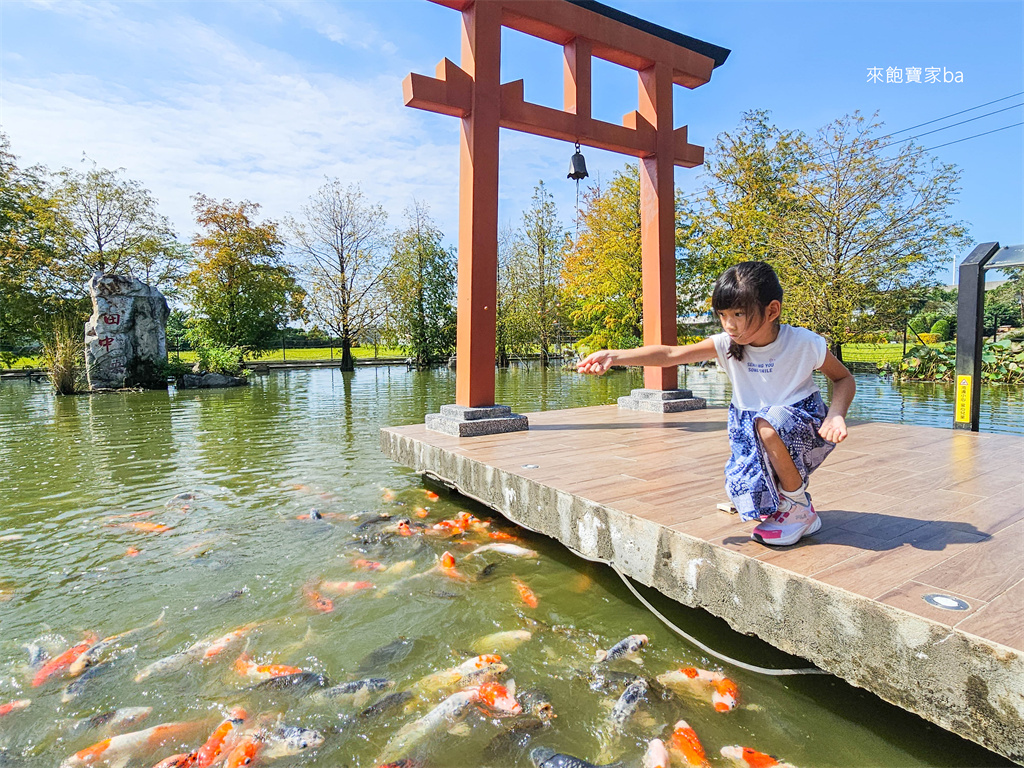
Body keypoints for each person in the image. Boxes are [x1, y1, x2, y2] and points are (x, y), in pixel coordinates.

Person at [576, 261, 855, 546]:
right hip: (751, 428)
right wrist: (615, 355)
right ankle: (783, 499)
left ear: (772, 310)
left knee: (769, 423)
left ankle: (798, 508)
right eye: (723, 314)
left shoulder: (803, 342)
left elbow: (843, 378)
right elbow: (671, 354)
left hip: (800, 425)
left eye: (739, 314)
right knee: (746, 493)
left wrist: (835, 415)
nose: (729, 324)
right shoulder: (726, 345)